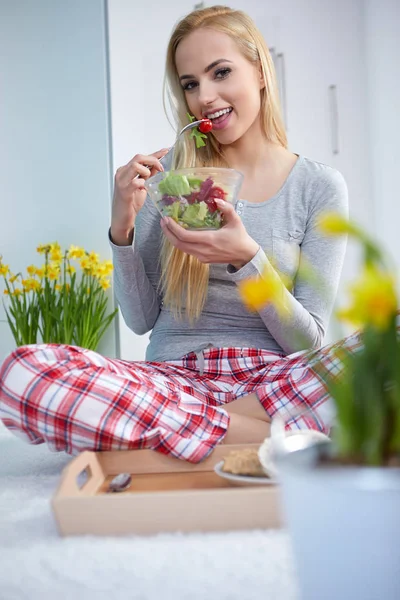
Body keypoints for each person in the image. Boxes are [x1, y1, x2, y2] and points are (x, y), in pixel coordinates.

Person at [0, 5, 352, 463]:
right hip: (174, 380)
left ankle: (187, 433)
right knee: (23, 372)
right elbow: (142, 319)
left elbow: (308, 344)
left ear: (261, 71)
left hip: (273, 380)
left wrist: (249, 259)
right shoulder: (172, 178)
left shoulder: (318, 186)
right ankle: (266, 437)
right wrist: (121, 226)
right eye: (190, 84)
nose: (205, 96)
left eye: (220, 72)